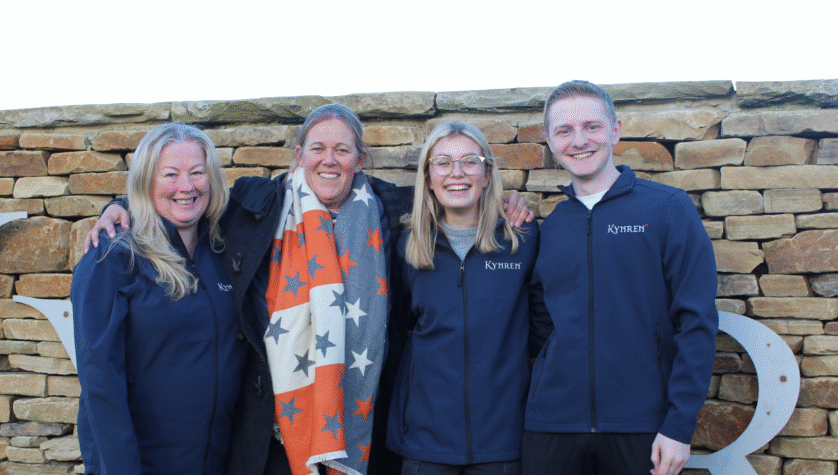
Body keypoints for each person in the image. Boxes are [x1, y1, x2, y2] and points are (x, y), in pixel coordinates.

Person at [85, 104, 534, 475]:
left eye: (342, 149)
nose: (329, 160)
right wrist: (119, 206)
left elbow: (454, 195)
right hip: (275, 425)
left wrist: (512, 203)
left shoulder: (390, 209)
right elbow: (186, 199)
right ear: (299, 155)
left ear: (360, 160)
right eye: (317, 148)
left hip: (363, 421)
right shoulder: (257, 206)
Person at [521, 80, 718, 475]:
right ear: (548, 140)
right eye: (564, 130)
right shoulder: (554, 225)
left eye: (592, 126)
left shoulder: (667, 208)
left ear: (615, 130)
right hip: (551, 427)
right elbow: (542, 322)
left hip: (642, 426)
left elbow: (696, 322)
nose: (579, 141)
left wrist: (679, 425)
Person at [70, 123, 247, 475]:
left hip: (217, 461)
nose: (186, 186)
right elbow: (100, 383)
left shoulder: (225, 248)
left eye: (197, 173)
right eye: (170, 174)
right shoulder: (112, 257)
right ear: (146, 181)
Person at [387, 122, 548, 475]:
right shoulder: (406, 245)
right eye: (442, 162)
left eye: (470, 161)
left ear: (487, 174)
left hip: (503, 440)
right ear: (428, 177)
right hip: (424, 439)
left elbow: (542, 331)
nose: (456, 173)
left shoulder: (523, 238)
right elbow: (397, 330)